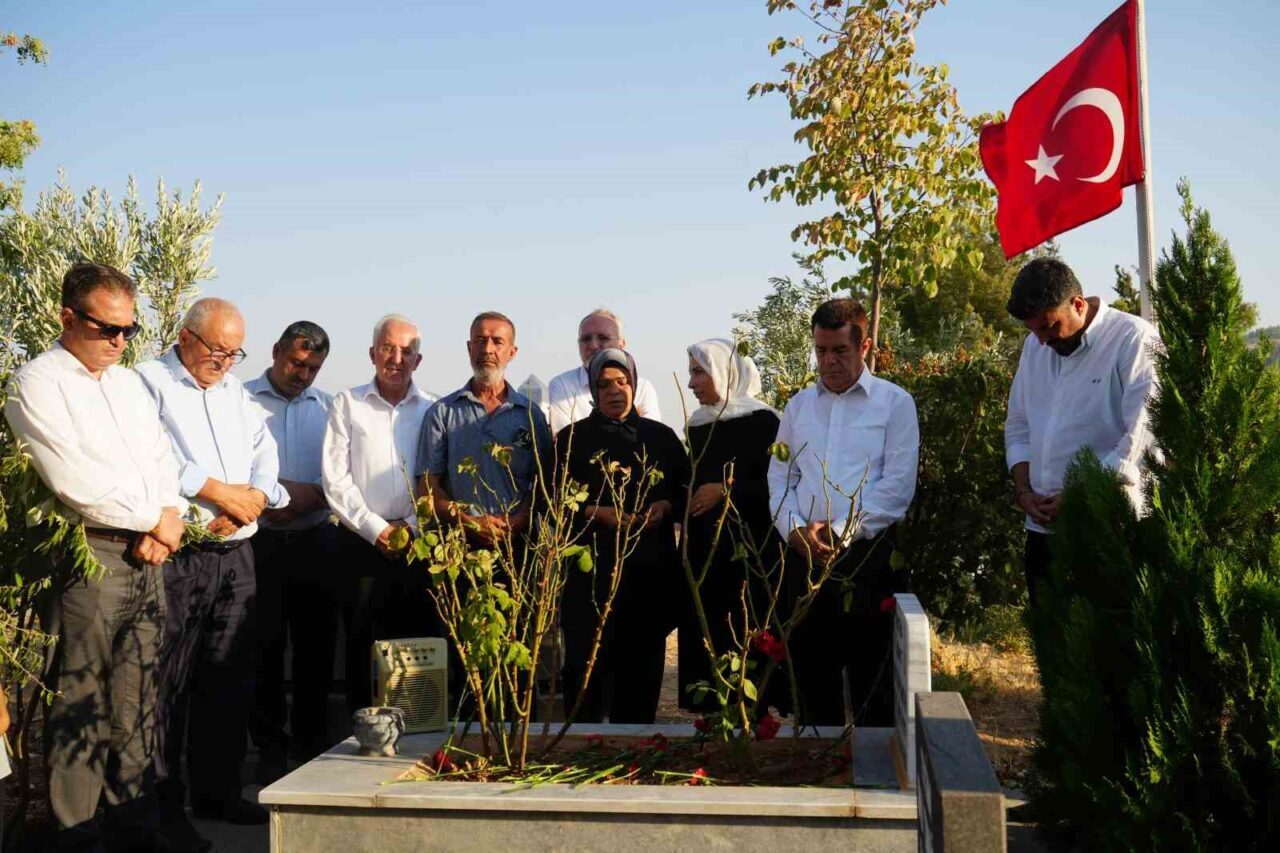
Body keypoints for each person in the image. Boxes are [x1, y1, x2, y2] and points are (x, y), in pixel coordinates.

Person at [4, 263, 203, 852]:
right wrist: (152, 519)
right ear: (68, 318)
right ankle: (77, 838)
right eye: (107, 328)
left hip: (149, 556)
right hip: (90, 557)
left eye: (129, 329)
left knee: (137, 705)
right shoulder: (37, 383)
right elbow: (74, 480)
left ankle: (134, 831)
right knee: (80, 706)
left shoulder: (127, 385)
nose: (119, 341)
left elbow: (160, 458)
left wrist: (168, 520)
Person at [137, 297, 289, 827]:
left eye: (234, 353)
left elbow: (265, 449)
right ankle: (163, 805)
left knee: (228, 677)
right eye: (217, 350)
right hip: (182, 555)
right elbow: (155, 455)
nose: (224, 362)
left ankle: (217, 792)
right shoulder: (149, 382)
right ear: (186, 337)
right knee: (170, 682)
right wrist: (219, 493)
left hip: (237, 553)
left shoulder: (234, 392)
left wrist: (256, 497)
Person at [767, 298, 919, 727]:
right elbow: (780, 478)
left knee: (874, 683)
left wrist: (839, 532)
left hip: (868, 560)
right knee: (812, 678)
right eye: (821, 350)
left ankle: (876, 768)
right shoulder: (798, 407)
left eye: (839, 350)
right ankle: (819, 763)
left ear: (865, 346)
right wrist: (795, 530)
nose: (828, 361)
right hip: (804, 561)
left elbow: (896, 488)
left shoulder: (894, 404)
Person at [1003, 257, 1159, 605]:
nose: (1042, 341)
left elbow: (1142, 438)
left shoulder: (1133, 339)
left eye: (1049, 327)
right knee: (1048, 636)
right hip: (1043, 533)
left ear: (1077, 304)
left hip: (1109, 529)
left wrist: (1078, 495)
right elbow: (1018, 425)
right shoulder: (1035, 347)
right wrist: (1023, 491)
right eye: (1033, 331)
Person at [553, 348, 688, 723]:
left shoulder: (661, 438)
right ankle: (582, 746)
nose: (615, 390)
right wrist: (596, 512)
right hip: (590, 581)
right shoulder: (572, 440)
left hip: (647, 579)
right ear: (593, 391)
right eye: (604, 384)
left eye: (623, 381)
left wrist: (664, 506)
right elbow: (550, 503)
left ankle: (637, 750)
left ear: (634, 384)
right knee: (585, 676)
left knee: (640, 679)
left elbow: (685, 493)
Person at [322, 314, 437, 713]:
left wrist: (411, 528)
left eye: (407, 351)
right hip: (360, 543)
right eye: (388, 348)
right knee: (361, 647)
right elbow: (336, 478)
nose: (396, 358)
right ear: (373, 353)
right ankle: (362, 733)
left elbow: (437, 480)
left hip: (417, 545)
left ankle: (415, 729)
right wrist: (377, 530)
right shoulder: (347, 404)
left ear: (418, 360)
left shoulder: (433, 409)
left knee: (415, 647)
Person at [244, 321, 336, 784]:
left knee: (316, 648)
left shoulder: (329, 408)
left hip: (314, 540)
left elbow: (340, 473)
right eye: (297, 363)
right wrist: (274, 495)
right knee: (263, 648)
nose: (303, 375)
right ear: (276, 350)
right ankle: (269, 749)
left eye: (313, 368)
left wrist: (309, 496)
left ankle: (311, 743)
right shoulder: (239, 400)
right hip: (257, 542)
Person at [677, 339, 779, 711]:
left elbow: (777, 485)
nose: (691, 384)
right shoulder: (698, 426)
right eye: (690, 373)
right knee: (708, 644)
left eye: (698, 372)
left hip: (749, 555)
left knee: (747, 642)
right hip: (705, 556)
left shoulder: (765, 422)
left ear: (725, 371)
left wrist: (725, 489)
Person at [416, 312, 552, 548]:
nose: (487, 349)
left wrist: (520, 519)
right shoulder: (442, 413)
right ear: (469, 348)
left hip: (519, 547)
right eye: (480, 340)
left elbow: (544, 482)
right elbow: (428, 487)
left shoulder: (531, 416)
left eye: (497, 342)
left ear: (512, 352)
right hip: (458, 548)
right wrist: (467, 522)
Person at [546, 309, 663, 434]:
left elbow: (652, 435)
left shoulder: (643, 388)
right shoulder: (563, 385)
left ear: (621, 345)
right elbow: (567, 439)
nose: (593, 345)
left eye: (603, 338)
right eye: (586, 339)